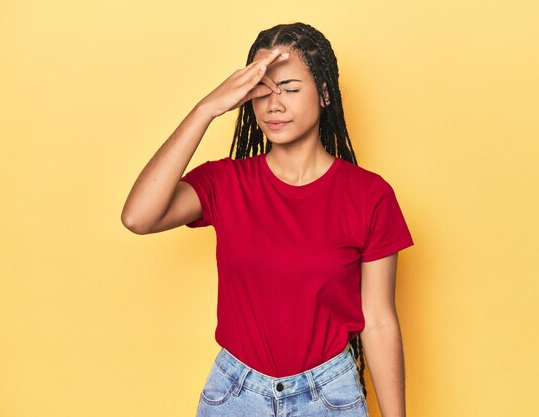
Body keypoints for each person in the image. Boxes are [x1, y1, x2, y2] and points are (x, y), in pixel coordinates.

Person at [122, 22, 414, 417]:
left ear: (325, 94)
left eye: (291, 90)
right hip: (235, 393)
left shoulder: (369, 196)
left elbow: (378, 321)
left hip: (330, 396)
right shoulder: (225, 182)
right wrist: (207, 108)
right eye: (261, 92)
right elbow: (138, 217)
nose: (274, 105)